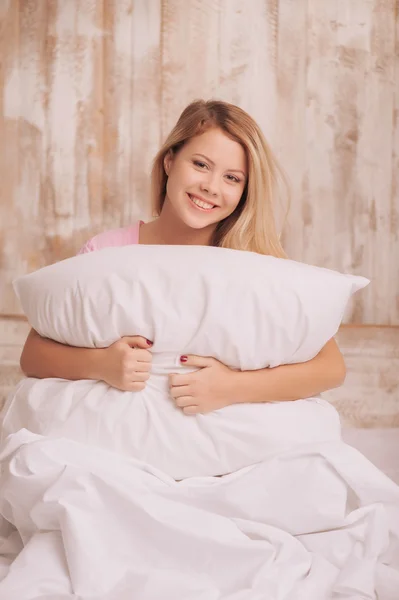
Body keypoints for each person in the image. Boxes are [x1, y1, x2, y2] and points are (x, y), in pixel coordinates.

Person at [20, 99, 346, 415]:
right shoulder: (105, 253)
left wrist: (231, 386)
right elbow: (32, 355)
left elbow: (331, 367)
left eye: (232, 178)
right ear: (169, 161)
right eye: (201, 164)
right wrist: (100, 364)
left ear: (245, 192)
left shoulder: (253, 263)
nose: (211, 187)